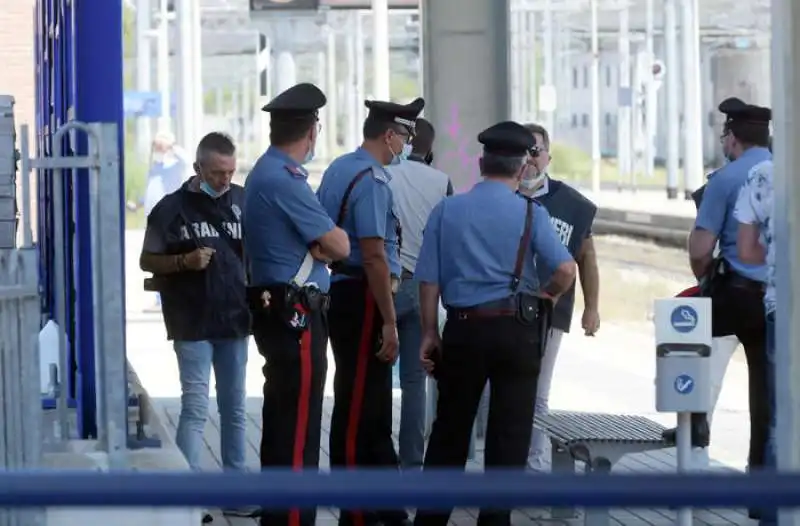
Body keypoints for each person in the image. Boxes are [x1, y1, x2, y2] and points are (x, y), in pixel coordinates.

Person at [413, 121, 577, 526]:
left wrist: (431, 333)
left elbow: (429, 279)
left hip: (465, 331)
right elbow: (566, 269)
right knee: (509, 435)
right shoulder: (531, 213)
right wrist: (546, 297)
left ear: (481, 163)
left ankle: (431, 520)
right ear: (522, 169)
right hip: (516, 333)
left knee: (450, 430)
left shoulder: (447, 209)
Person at [243, 83, 351, 526]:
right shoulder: (284, 180)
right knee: (299, 425)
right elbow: (339, 244)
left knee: (283, 415)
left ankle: (280, 513)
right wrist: (323, 245)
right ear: (311, 132)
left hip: (280, 310)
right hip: (298, 316)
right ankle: (292, 519)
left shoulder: (263, 173)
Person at [317, 97, 424, 526]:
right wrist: (390, 320)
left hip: (342, 292)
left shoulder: (340, 167)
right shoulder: (372, 181)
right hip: (363, 296)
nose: (406, 146)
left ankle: (385, 503)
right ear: (389, 135)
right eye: (405, 137)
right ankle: (355, 508)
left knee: (370, 404)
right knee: (360, 405)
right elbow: (375, 256)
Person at [139, 132, 251, 522]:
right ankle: (186, 494)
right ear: (198, 168)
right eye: (217, 172)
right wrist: (184, 262)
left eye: (230, 172)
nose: (224, 180)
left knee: (235, 408)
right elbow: (147, 260)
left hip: (236, 319)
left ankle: (235, 490)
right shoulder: (172, 209)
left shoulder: (243, 201)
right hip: (191, 320)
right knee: (196, 406)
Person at [688, 97, 772, 501]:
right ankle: (762, 488)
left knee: (699, 386)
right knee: (768, 399)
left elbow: (701, 249)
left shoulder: (723, 180)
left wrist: (706, 280)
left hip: (731, 296)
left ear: (732, 137)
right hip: (774, 303)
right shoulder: (784, 175)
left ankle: (693, 476)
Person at [516, 123, 600, 472]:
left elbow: (587, 257)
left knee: (537, 389)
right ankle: (506, 463)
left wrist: (592, 307)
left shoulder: (571, 205)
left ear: (548, 156)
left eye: (535, 151)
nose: (529, 159)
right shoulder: (501, 195)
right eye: (522, 151)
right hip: (503, 306)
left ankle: (534, 463)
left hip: (551, 309)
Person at [385, 117, 452, 469]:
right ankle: (412, 464)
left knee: (379, 375)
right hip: (423, 288)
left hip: (387, 285)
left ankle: (378, 461)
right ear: (431, 150)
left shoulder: (385, 175)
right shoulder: (442, 182)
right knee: (415, 382)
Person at [735, 158, 776, 526]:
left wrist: (780, 258)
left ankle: (771, 514)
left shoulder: (764, 174)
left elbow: (746, 250)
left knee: (777, 416)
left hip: (783, 309)